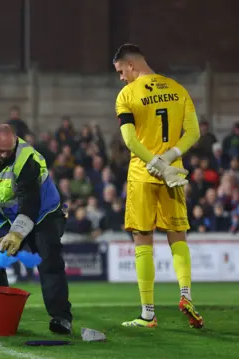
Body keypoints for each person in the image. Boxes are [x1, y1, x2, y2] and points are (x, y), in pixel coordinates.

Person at [113, 44, 203, 328]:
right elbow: (194, 133)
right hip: (173, 174)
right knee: (178, 236)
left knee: (143, 241)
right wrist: (169, 159)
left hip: (143, 174)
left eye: (120, 71)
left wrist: (155, 162)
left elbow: (130, 141)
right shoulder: (178, 89)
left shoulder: (127, 95)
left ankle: (148, 314)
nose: (120, 78)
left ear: (130, 65)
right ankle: (186, 294)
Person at [0, 124, 72, 335]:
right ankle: (0, 314)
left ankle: (61, 318)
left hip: (44, 215)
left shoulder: (27, 161)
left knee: (49, 262)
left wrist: (16, 234)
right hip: (9, 217)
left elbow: (30, 203)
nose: (3, 155)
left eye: (8, 151)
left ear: (15, 143)